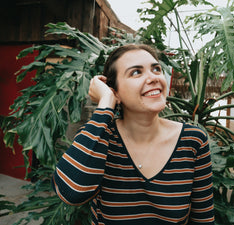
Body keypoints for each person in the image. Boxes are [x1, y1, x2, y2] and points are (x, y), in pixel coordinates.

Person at [52, 44, 214, 224]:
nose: (153, 78)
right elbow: (71, 193)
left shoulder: (193, 140)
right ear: (115, 92)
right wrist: (106, 102)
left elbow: (203, 219)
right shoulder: (99, 138)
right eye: (136, 72)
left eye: (156, 69)